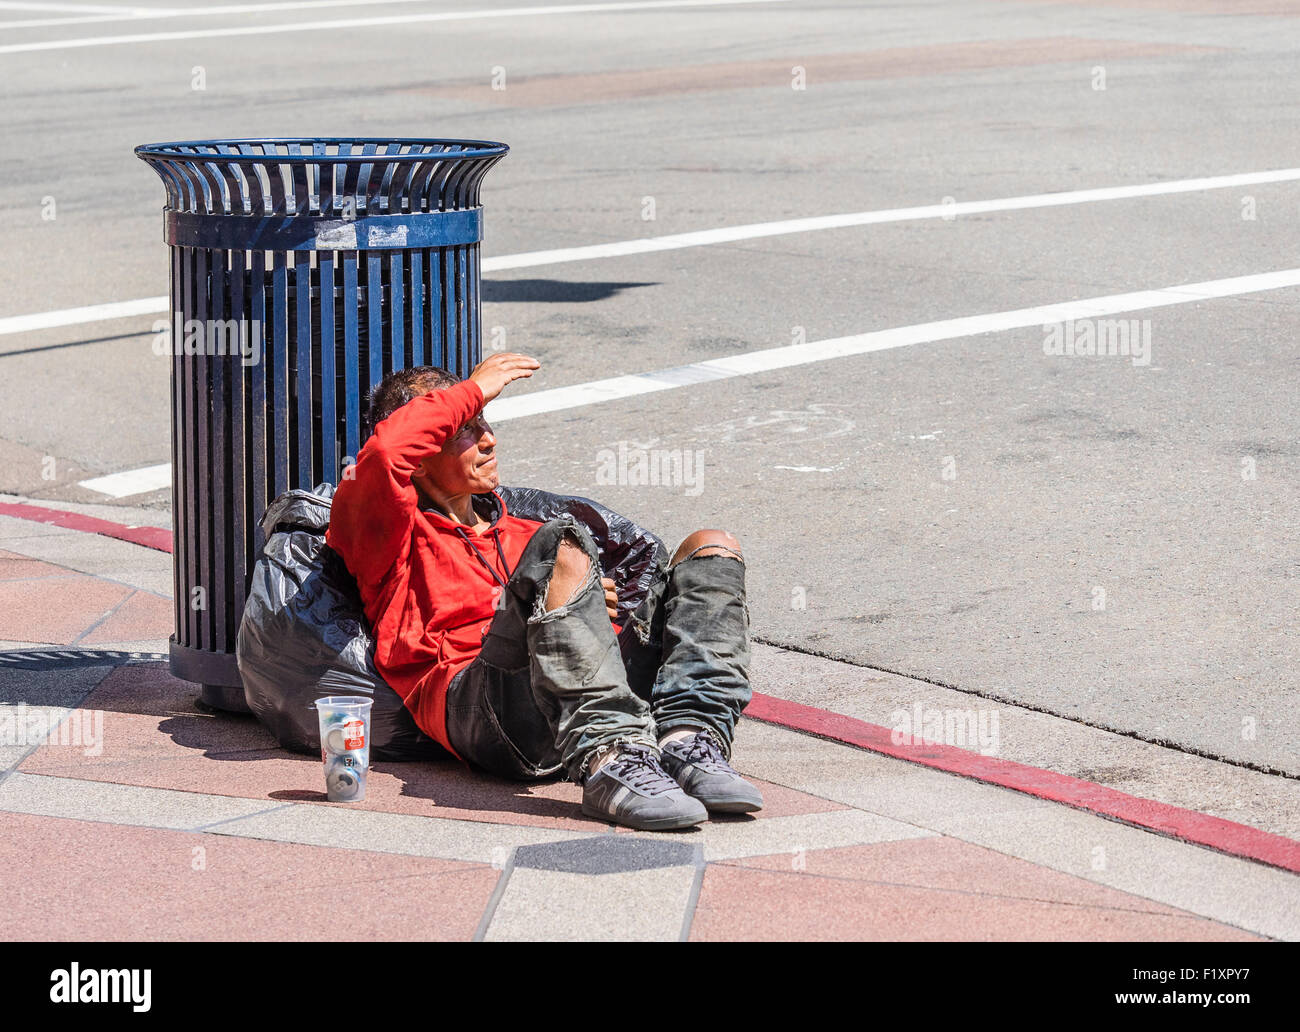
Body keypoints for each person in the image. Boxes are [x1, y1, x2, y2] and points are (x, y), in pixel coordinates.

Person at [325, 352, 762, 830]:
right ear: (423, 455)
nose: (488, 439)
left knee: (710, 549)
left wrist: (587, 612)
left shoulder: (518, 529)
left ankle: (688, 740)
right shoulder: (388, 533)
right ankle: (609, 761)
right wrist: (474, 389)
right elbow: (387, 453)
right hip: (484, 711)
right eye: (465, 429)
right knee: (562, 544)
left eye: (485, 422)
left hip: (571, 702)